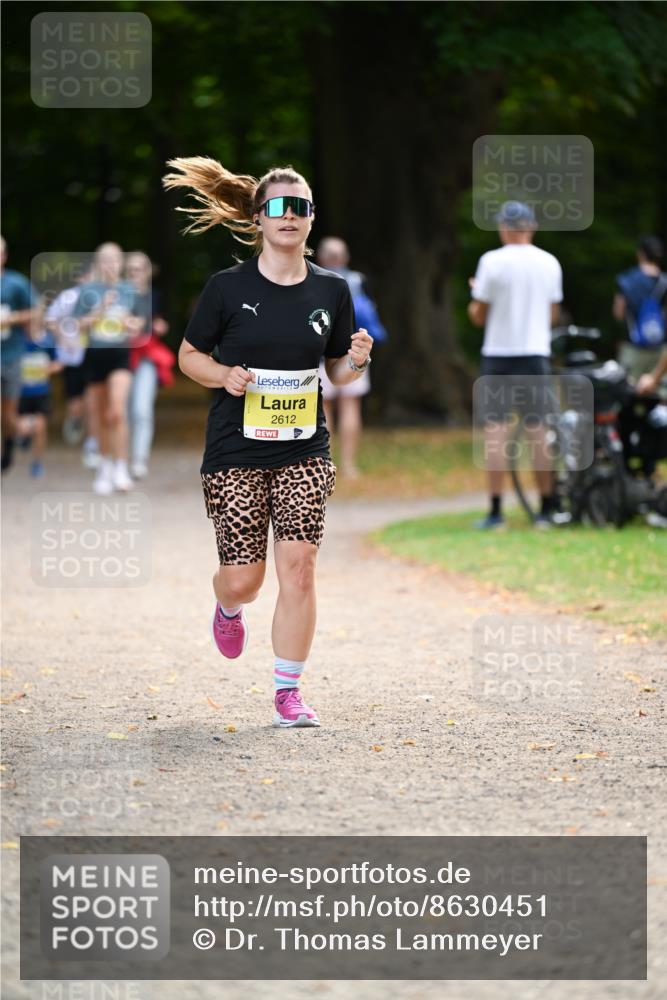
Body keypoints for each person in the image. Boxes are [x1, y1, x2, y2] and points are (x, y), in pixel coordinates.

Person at [162, 156, 372, 728]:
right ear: (258, 218)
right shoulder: (226, 289)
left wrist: (356, 360)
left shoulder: (332, 290)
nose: (289, 216)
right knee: (245, 577)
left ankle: (287, 692)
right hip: (235, 446)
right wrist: (222, 375)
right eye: (277, 207)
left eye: (299, 207)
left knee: (299, 567)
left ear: (310, 219)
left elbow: (338, 373)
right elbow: (188, 356)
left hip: (304, 445)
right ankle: (228, 605)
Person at [468, 201, 563, 529]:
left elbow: (479, 315)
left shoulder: (491, 262)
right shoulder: (550, 263)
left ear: (504, 228)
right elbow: (552, 315)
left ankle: (496, 512)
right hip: (535, 353)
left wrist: (474, 299)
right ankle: (546, 510)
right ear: (531, 226)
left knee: (496, 432)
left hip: (498, 354)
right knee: (539, 431)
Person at [73, 243, 144, 494]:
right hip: (95, 355)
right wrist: (100, 310)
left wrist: (131, 323)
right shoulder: (87, 290)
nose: (110, 265)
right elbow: (77, 325)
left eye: (114, 260)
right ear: (98, 264)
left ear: (120, 263)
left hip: (120, 355)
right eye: (105, 260)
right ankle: (104, 466)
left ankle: (121, 468)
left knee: (117, 410)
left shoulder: (129, 289)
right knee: (101, 415)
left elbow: (138, 323)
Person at [316, 237, 387, 478]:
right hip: (353, 352)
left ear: (321, 257)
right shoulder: (358, 280)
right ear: (345, 258)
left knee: (323, 409)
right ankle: (348, 465)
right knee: (350, 406)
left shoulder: (311, 280)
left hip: (320, 355)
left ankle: (327, 462)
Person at [126, 252, 175, 479]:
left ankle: (138, 459)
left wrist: (159, 326)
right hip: (122, 357)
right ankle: (119, 457)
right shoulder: (117, 295)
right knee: (123, 410)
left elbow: (160, 322)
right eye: (131, 269)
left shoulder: (156, 296)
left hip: (146, 356)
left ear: (148, 273)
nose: (135, 274)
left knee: (141, 409)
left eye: (139, 269)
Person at [1, 236, 41, 472]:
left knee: (8, 413)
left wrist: (10, 319)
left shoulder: (15, 283)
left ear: (4, 256)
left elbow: (36, 312)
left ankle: (13, 438)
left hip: (11, 356)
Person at [613, 236, 667, 380]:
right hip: (661, 350)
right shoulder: (665, 282)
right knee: (660, 396)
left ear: (640, 253)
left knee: (627, 392)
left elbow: (619, 312)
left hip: (632, 347)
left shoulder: (628, 279)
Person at [16, 322, 62, 477]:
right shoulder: (16, 341)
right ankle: (24, 436)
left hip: (41, 391)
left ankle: (37, 462)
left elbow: (59, 363)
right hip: (20, 392)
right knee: (24, 426)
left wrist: (49, 368)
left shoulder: (47, 341)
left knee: (40, 426)